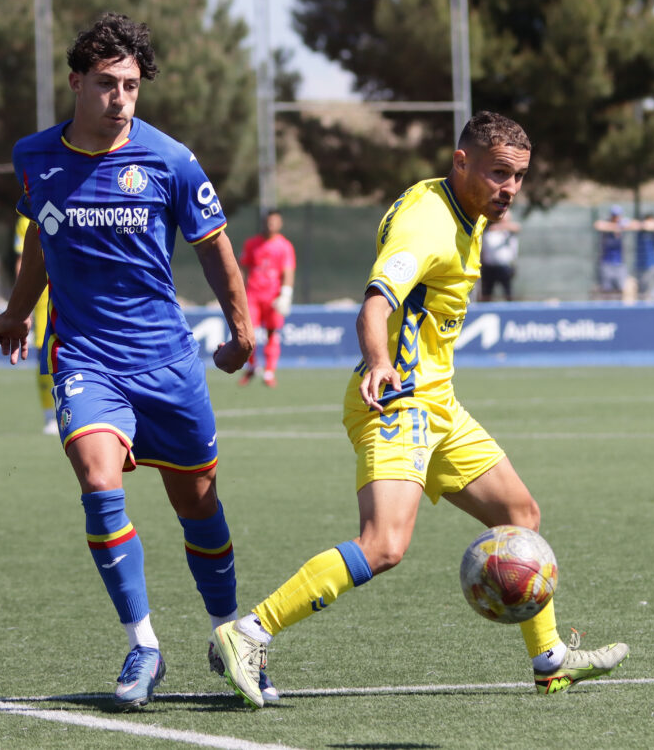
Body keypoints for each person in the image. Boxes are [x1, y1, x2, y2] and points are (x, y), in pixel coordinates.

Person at [211, 111, 629, 708]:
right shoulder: (428, 226)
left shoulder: (464, 203)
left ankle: (550, 659)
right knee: (383, 545)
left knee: (519, 513)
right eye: (498, 174)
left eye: (517, 177)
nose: (509, 188)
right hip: (396, 401)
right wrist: (379, 361)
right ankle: (249, 632)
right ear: (460, 162)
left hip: (438, 405)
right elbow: (375, 305)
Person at [0, 12, 263, 710]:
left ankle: (230, 635)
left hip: (167, 363)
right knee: (97, 478)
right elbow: (42, 241)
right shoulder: (34, 157)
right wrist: (19, 313)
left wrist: (242, 329)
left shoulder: (171, 160)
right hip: (85, 357)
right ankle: (143, 644)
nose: (120, 100)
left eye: (131, 87)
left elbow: (216, 249)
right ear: (77, 82)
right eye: (107, 84)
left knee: (200, 509)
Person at [238, 210, 296, 387]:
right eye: (269, 222)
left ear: (280, 224)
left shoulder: (285, 246)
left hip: (273, 297)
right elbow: (242, 268)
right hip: (253, 295)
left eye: (275, 222)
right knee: (248, 333)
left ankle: (269, 372)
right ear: (264, 223)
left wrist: (285, 294)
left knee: (272, 333)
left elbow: (288, 272)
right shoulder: (251, 244)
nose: (271, 225)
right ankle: (253, 366)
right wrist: (237, 291)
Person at [13, 213, 57, 435]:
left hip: (67, 289)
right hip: (41, 297)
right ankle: (49, 415)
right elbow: (22, 260)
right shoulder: (26, 219)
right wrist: (21, 303)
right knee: (43, 354)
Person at [592, 205, 632, 299]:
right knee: (607, 289)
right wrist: (616, 227)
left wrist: (621, 226)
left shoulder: (623, 223)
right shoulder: (606, 224)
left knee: (621, 288)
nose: (616, 218)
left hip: (620, 263)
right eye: (614, 215)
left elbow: (634, 224)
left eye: (617, 216)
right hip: (606, 262)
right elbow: (598, 225)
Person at [478, 218, 520, 301]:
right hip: (488, 266)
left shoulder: (508, 231)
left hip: (504, 266)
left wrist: (500, 226)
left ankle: (511, 309)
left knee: (508, 292)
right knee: (486, 292)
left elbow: (517, 227)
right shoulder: (486, 230)